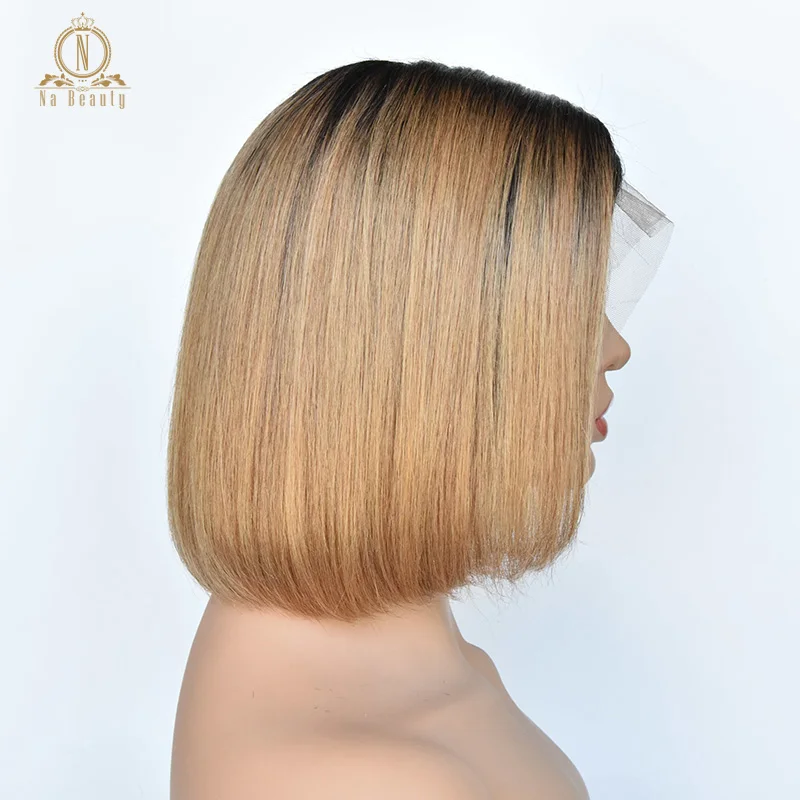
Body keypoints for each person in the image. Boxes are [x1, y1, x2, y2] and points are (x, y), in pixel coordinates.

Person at [167, 58, 652, 799]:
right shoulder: (373, 778)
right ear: (426, 345)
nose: (615, 347)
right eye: (564, 304)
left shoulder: (354, 663)